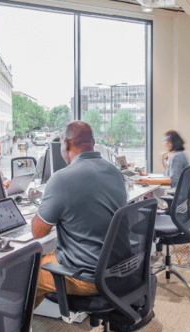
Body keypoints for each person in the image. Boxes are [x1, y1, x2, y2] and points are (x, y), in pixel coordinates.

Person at [31, 121, 127, 308]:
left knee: (24, 273)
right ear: (92, 142)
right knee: (49, 256)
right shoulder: (115, 172)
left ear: (66, 144)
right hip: (117, 270)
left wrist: (46, 203)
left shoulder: (62, 179)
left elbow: (38, 233)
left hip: (86, 277)